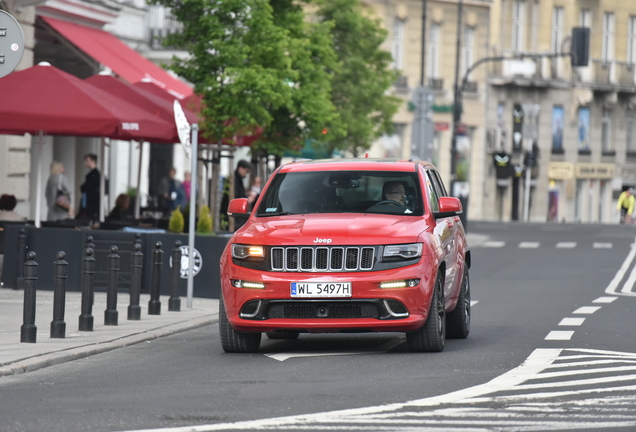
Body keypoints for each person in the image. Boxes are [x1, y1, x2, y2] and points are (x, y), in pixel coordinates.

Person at [78, 153, 101, 220]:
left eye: (87, 161)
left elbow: (86, 187)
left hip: (91, 204)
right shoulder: (93, 174)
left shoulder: (94, 175)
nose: (85, 163)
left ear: (93, 161)